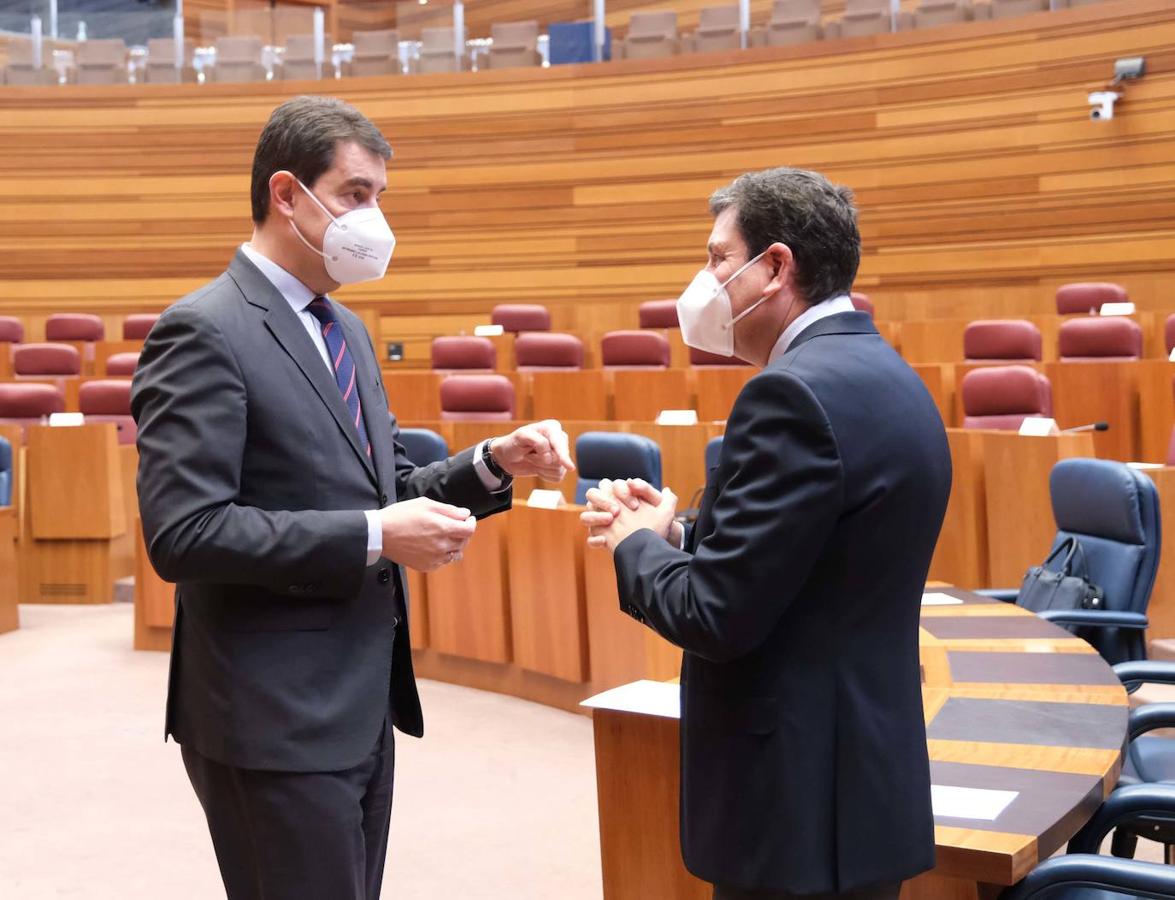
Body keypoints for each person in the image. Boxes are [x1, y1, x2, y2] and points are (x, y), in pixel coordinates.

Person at [132, 95, 574, 900]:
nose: (373, 220)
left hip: (357, 701)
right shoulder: (203, 329)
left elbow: (388, 490)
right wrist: (374, 534)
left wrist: (490, 464)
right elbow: (185, 533)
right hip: (269, 716)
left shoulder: (343, 330)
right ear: (286, 194)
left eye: (379, 198)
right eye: (355, 194)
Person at [581, 167, 952, 900]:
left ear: (774, 266)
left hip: (795, 806)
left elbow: (715, 616)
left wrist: (634, 541)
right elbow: (811, 559)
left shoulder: (789, 394)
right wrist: (679, 531)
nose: (705, 279)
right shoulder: (885, 373)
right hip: (860, 789)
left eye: (718, 258)